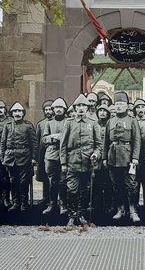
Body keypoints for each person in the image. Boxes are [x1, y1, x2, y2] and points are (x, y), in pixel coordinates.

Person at [60, 94, 102, 226]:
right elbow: (63, 145)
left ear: (88, 108)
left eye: (84, 106)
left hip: (88, 163)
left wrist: (96, 154)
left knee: (85, 190)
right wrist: (63, 163)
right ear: (75, 108)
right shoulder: (69, 123)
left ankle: (81, 214)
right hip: (72, 163)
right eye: (79, 106)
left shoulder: (93, 123)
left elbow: (99, 145)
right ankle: (72, 215)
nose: (81, 108)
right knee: (72, 190)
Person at [103, 92, 141, 223]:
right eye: (117, 104)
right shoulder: (110, 121)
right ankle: (120, 209)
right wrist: (104, 158)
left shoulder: (132, 121)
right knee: (116, 185)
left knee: (131, 185)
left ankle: (133, 211)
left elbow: (137, 141)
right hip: (112, 157)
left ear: (127, 106)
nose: (119, 106)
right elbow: (106, 142)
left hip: (128, 158)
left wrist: (135, 157)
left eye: (121, 104)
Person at [0, 102, 37, 212]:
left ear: (23, 113)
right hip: (10, 157)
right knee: (13, 180)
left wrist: (34, 158)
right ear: (11, 113)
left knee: (24, 181)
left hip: (24, 156)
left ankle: (24, 204)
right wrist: (3, 158)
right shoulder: (7, 126)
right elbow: (3, 142)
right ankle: (16, 203)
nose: (17, 113)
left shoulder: (28, 126)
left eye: (19, 111)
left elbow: (34, 143)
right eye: (15, 111)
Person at [42, 98, 68, 215]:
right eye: (56, 108)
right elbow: (44, 139)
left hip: (64, 156)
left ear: (64, 109)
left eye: (60, 108)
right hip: (51, 155)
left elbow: (70, 137)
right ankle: (52, 204)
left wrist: (59, 136)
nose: (58, 110)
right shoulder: (49, 123)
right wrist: (54, 137)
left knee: (63, 181)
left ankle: (63, 204)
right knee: (52, 181)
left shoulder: (68, 122)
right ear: (53, 110)